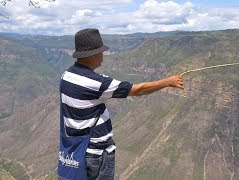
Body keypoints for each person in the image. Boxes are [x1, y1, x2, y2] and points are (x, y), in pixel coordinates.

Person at [59, 28, 184, 180]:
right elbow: (137, 90)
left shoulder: (67, 75)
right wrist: (167, 82)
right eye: (101, 52)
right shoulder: (96, 83)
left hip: (77, 148)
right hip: (97, 153)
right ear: (92, 54)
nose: (102, 55)